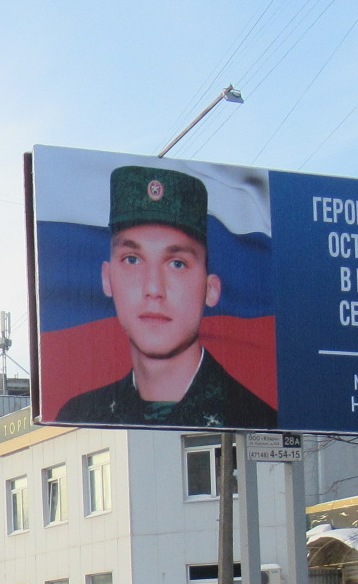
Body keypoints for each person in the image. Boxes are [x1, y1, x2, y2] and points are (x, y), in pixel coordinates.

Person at [57, 165, 276, 429]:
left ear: (211, 288)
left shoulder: (256, 418)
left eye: (177, 264)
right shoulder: (82, 414)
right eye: (133, 259)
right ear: (107, 278)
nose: (153, 288)